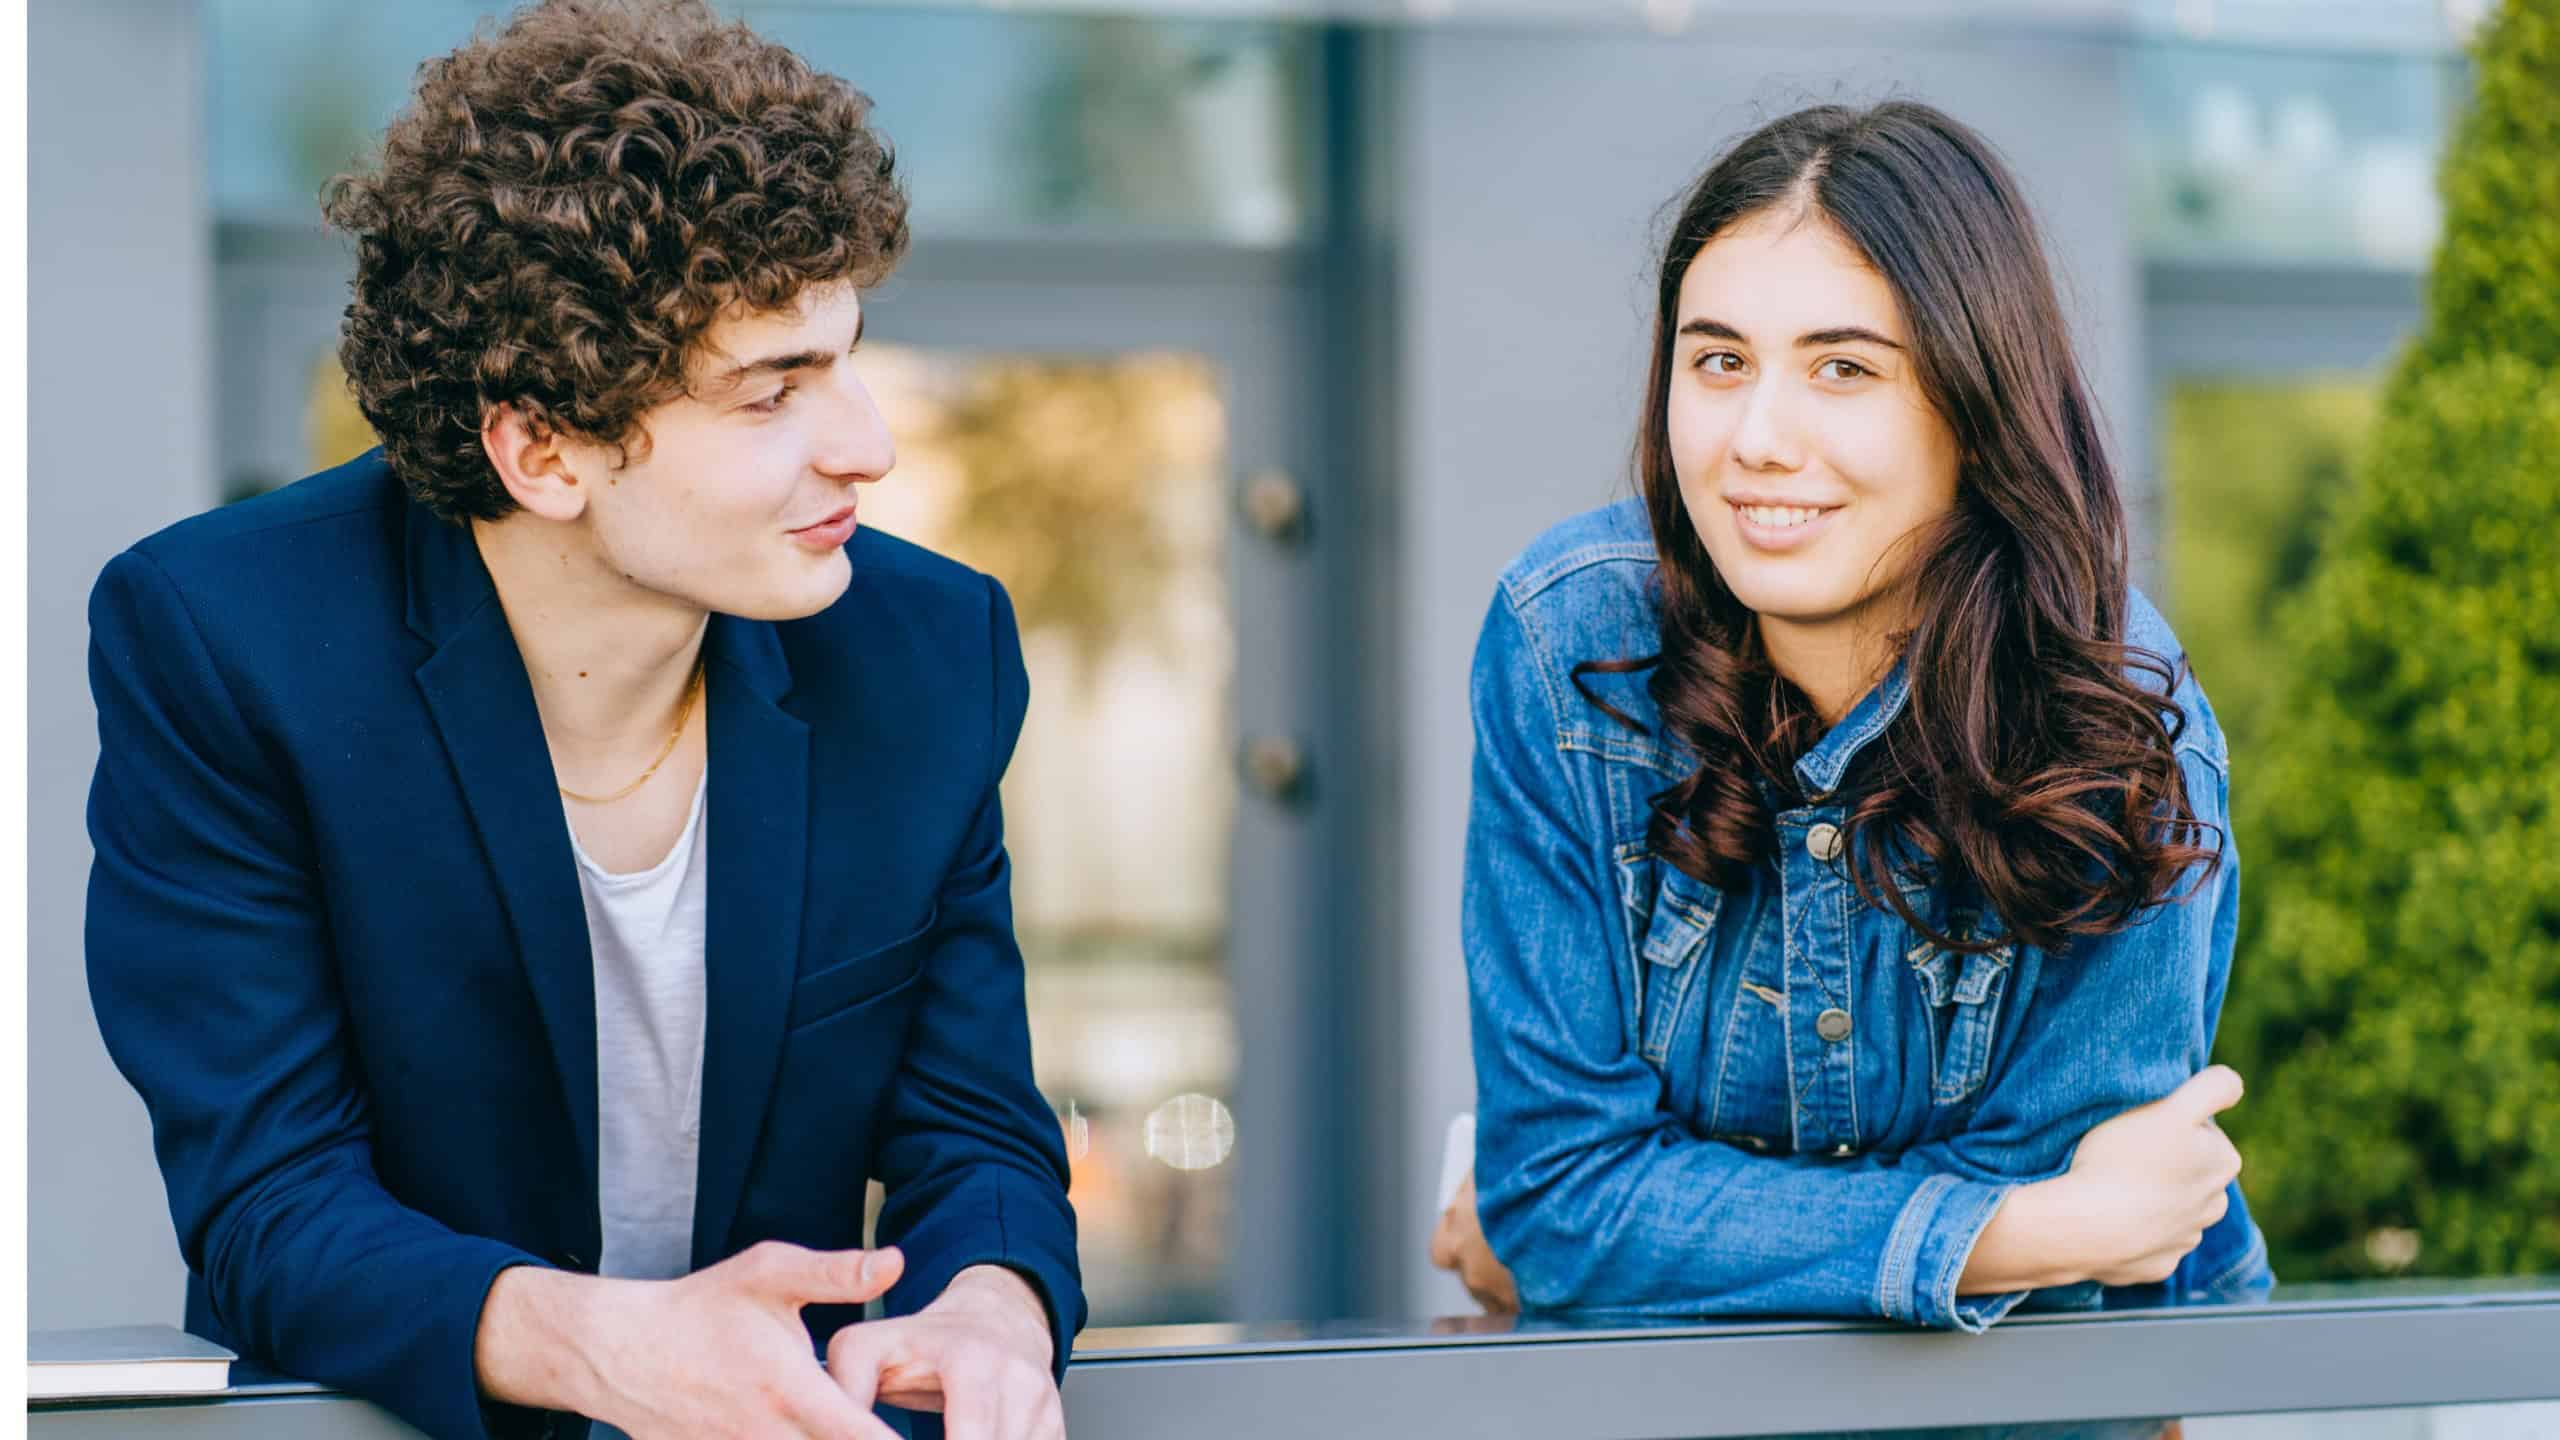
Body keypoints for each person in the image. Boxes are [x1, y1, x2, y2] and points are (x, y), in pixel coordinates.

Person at [83, 4, 1081, 1437]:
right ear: (543, 450)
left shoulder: (929, 650)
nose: (868, 446)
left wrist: (990, 1301)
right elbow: (270, 1200)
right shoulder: (228, 641)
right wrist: (611, 1350)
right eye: (771, 393)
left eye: (846, 358)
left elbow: (973, 1128)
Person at [1430, 101, 2272, 1341]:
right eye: (1719, 362)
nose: (1758, 442)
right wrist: (2023, 1229)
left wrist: (1631, 1242)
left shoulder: (2125, 732)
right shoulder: (1570, 647)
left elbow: (2063, 1314)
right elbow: (1556, 1198)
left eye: (1844, 369)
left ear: (1974, 404)